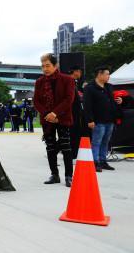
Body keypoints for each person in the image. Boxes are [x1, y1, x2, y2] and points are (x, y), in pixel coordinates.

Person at [33, 53, 75, 187]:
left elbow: (69, 99)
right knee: (50, 148)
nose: (45, 69)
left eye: (48, 66)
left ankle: (69, 176)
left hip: (62, 118)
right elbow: (36, 101)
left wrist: (55, 114)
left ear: (55, 66)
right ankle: (54, 175)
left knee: (66, 147)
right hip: (47, 120)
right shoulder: (39, 82)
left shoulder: (67, 80)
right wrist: (47, 114)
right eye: (43, 66)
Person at [83, 66, 123, 172]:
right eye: (107, 74)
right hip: (98, 121)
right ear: (99, 75)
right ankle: (94, 162)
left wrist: (118, 102)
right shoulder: (90, 88)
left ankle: (103, 161)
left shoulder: (109, 87)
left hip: (110, 120)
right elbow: (87, 105)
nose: (108, 76)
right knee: (96, 142)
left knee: (106, 142)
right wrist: (90, 120)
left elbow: (110, 101)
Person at [67, 65, 84, 159]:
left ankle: (74, 154)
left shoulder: (74, 82)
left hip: (75, 112)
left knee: (75, 134)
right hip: (71, 112)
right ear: (75, 72)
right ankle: (52, 152)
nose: (80, 74)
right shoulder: (69, 81)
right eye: (80, 72)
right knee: (71, 134)